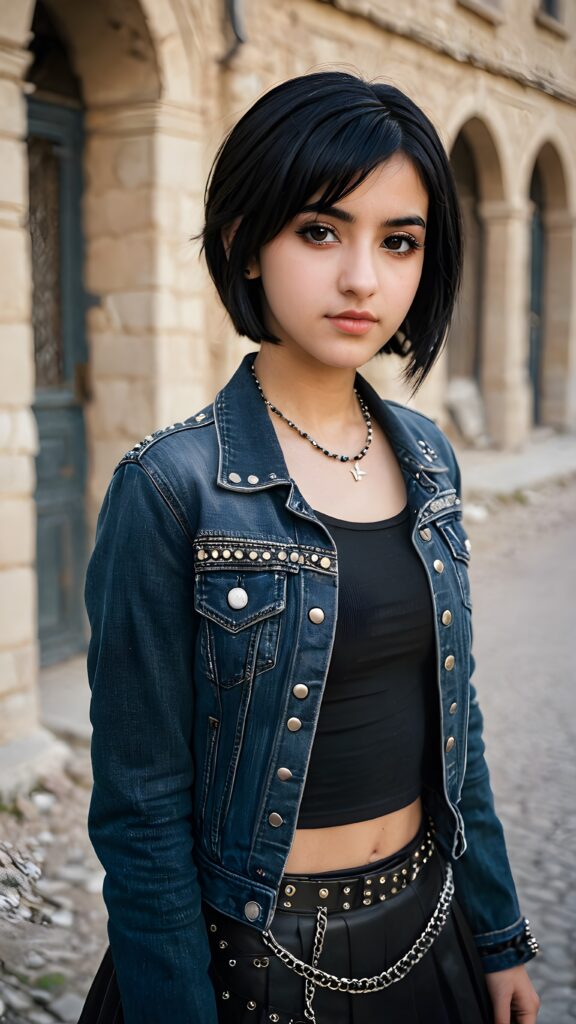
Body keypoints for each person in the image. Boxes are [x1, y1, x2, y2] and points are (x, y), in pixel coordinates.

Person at [79, 71, 541, 1024]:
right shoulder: (169, 487)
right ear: (245, 244)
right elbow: (141, 808)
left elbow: (459, 729)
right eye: (321, 231)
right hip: (251, 963)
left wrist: (498, 937)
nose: (363, 278)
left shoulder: (430, 457)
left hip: (432, 934)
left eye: (399, 241)